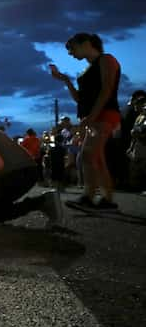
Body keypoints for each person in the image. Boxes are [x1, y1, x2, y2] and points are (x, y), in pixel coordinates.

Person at [50, 33, 121, 209]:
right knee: (97, 158)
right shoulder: (86, 70)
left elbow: (107, 89)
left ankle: (88, 197)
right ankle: (107, 199)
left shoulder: (106, 60)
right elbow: (80, 99)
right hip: (94, 116)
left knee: (87, 155)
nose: (70, 53)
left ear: (87, 43)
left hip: (104, 114)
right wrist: (66, 80)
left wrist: (92, 116)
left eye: (72, 48)